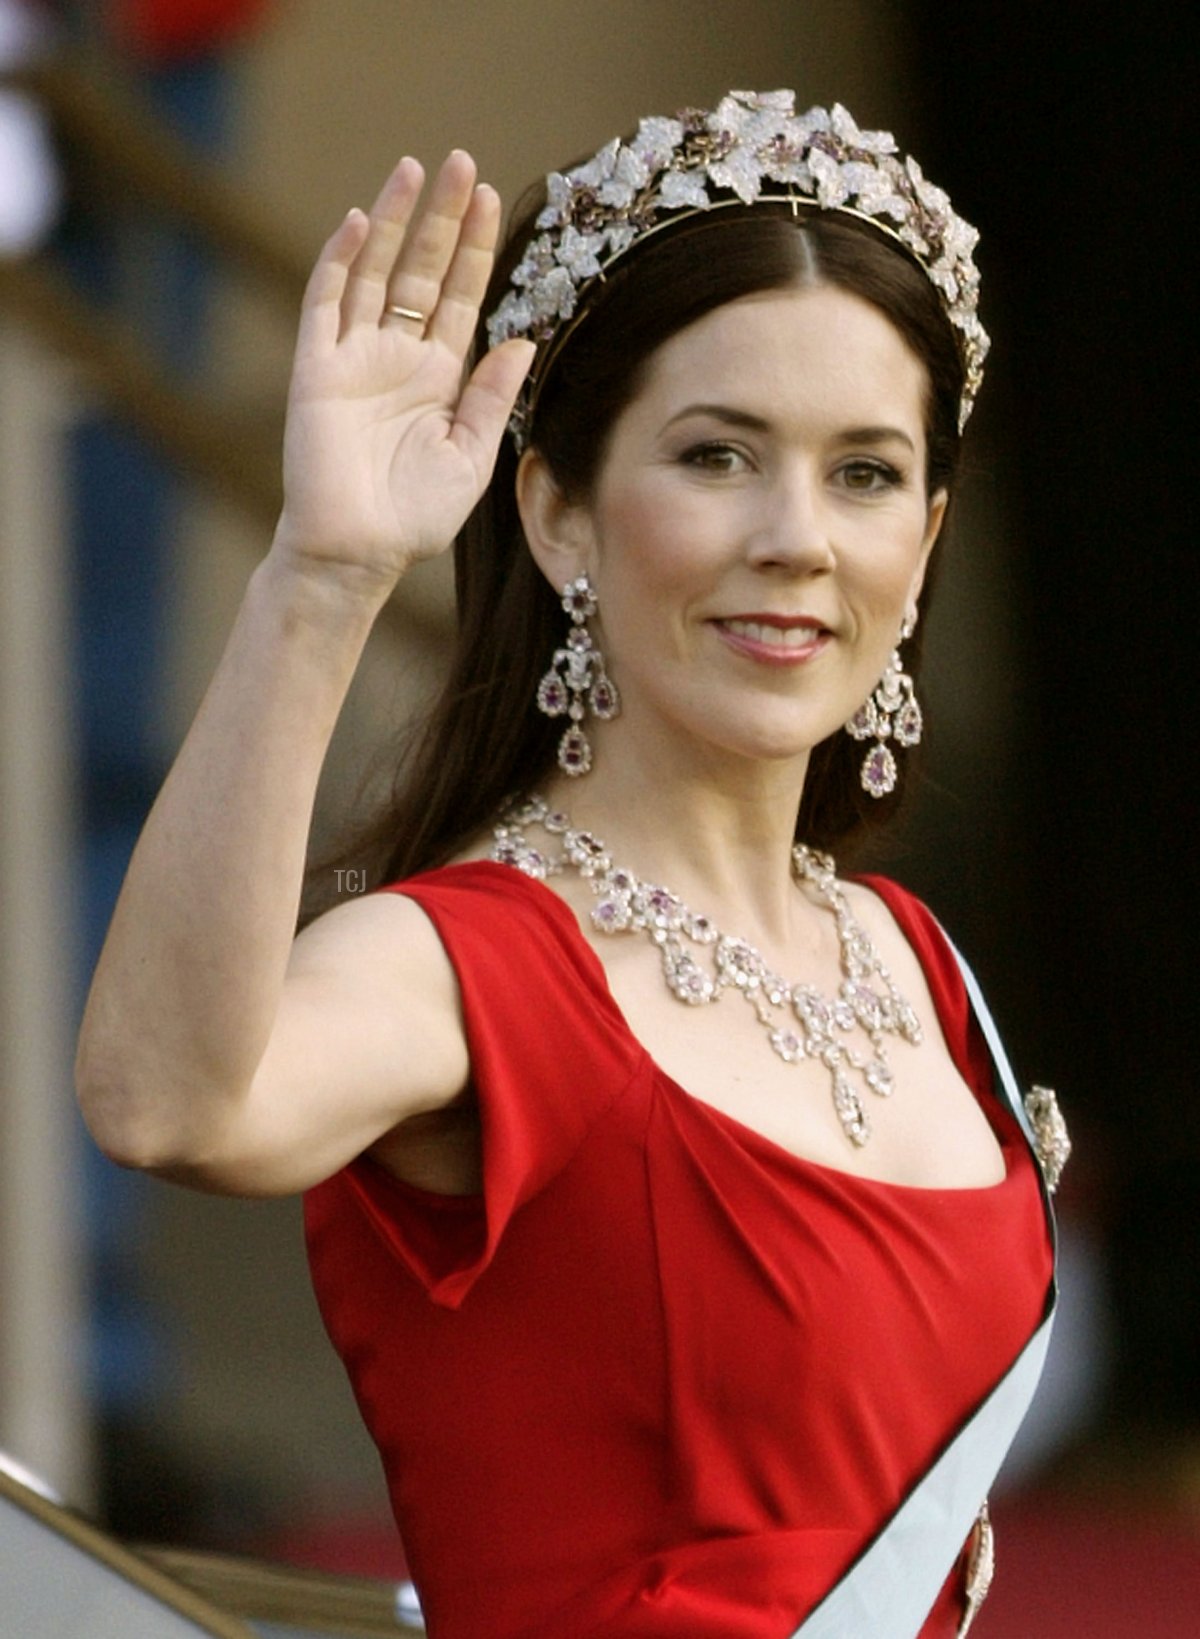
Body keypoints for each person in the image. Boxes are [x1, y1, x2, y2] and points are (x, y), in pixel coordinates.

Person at [76, 90, 1070, 1639]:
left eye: (865, 473)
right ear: (558, 512)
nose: (799, 536)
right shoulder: (472, 965)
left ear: (926, 539)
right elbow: (161, 1098)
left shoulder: (910, 956)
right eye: (718, 455)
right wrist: (326, 576)